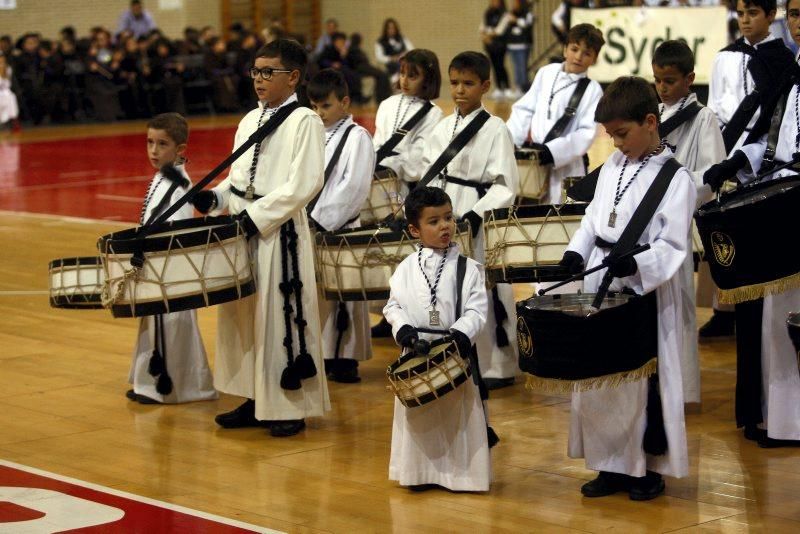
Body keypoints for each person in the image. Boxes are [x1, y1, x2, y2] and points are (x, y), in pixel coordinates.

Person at [559, 76, 695, 500]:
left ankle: (643, 468)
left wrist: (637, 261)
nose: (615, 144)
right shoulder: (613, 166)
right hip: (601, 277)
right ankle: (608, 464)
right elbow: (592, 221)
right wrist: (576, 253)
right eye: (611, 135)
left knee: (638, 383)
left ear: (650, 122)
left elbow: (673, 245)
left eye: (622, 133)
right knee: (601, 375)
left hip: (643, 290)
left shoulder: (677, 179)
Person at [191, 39, 330, 438]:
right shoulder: (249, 120)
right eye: (255, 71)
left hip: (278, 232)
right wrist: (216, 198)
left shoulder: (305, 120)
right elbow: (239, 180)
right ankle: (254, 398)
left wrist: (254, 218)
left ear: (294, 77)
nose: (259, 79)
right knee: (244, 317)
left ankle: (288, 404)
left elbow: (304, 184)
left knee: (279, 320)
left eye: (268, 72)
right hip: (243, 227)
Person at [700, 0, 800, 448]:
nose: (799, 22)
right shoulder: (790, 72)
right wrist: (739, 159)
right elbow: (774, 137)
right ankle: (780, 421)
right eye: (795, 13)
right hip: (783, 198)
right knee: (777, 314)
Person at [421, 51, 519, 389]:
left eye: (468, 83)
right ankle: (453, 359)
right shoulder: (442, 127)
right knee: (445, 286)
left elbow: (506, 185)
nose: (460, 90)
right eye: (455, 83)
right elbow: (429, 173)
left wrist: (476, 216)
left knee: (484, 287)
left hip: (477, 216)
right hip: (443, 216)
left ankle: (496, 366)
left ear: (485, 86)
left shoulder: (496, 129)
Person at [384, 186, 491, 492]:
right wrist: (403, 329)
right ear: (414, 229)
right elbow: (393, 305)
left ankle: (463, 476)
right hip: (416, 353)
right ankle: (419, 473)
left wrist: (459, 334)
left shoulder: (469, 269)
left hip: (453, 355)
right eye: (434, 221)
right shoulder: (405, 269)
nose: (445, 225)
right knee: (422, 418)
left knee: (458, 418)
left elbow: (477, 310)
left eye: (448, 217)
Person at [704, 0, 795, 336]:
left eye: (753, 14)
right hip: (727, 149)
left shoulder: (783, 59)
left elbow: (774, 114)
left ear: (771, 16)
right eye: (741, 14)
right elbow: (715, 107)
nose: (745, 20)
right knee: (722, 230)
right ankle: (723, 307)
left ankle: (754, 301)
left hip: (762, 154)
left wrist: (749, 151)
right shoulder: (723, 56)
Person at [651, 40, 727, 409]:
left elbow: (711, 175)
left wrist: (673, 191)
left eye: (669, 80)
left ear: (689, 79)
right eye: (657, 81)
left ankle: (681, 391)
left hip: (676, 222)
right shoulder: (649, 115)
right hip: (644, 225)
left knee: (677, 308)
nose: (662, 88)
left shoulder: (703, 118)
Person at [127, 113, 217, 405]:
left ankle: (177, 385)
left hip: (170, 268)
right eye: (150, 142)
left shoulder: (179, 185)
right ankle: (149, 382)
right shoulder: (163, 175)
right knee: (154, 325)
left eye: (162, 144)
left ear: (180, 149)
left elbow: (177, 230)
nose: (153, 150)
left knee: (173, 324)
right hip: (156, 266)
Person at [370, 48, 444, 339]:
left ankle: (408, 315)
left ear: (428, 79)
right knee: (378, 252)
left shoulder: (434, 114)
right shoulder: (387, 104)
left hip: (406, 190)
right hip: (377, 187)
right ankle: (385, 314)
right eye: (402, 73)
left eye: (412, 76)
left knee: (400, 255)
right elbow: (377, 140)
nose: (404, 80)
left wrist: (393, 163)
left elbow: (420, 161)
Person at [306, 69, 374, 383]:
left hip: (340, 226)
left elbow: (354, 187)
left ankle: (346, 358)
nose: (319, 113)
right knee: (318, 297)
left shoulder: (357, 137)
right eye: (315, 106)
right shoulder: (311, 134)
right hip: (309, 225)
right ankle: (322, 354)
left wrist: (321, 219)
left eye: (326, 106)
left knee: (343, 295)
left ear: (344, 102)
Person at [506, 23, 604, 204]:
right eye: (574, 49)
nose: (578, 57)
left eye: (587, 53)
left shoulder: (593, 90)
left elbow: (586, 132)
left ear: (595, 59)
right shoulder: (546, 73)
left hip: (567, 165)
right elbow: (525, 109)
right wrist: (511, 141)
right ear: (565, 49)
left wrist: (552, 152)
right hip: (533, 162)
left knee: (560, 218)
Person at [481, 0, 512, 99]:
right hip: (490, 45)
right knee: (494, 66)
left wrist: (489, 35)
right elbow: (482, 27)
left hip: (500, 44)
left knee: (500, 65)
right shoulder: (488, 13)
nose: (493, 2)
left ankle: (507, 88)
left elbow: (500, 30)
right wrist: (485, 36)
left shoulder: (504, 14)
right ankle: (498, 88)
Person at [505, 0, 534, 97]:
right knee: (516, 68)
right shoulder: (510, 13)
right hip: (512, 44)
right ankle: (518, 88)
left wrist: (516, 20)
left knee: (522, 68)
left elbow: (527, 25)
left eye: (516, 2)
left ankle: (524, 89)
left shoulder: (528, 14)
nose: (514, 5)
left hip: (523, 44)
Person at [374, 18, 414, 83]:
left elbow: (411, 49)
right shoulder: (380, 42)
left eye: (393, 28)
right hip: (391, 64)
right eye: (389, 28)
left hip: (403, 61)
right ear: (386, 29)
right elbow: (379, 57)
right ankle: (396, 80)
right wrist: (391, 58)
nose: (391, 30)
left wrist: (405, 53)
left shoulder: (402, 38)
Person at [0, 54, 19, 130]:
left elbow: (8, 84)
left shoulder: (8, 68)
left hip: (5, 91)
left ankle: (13, 119)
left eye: (2, 59)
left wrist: (3, 71)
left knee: (11, 96)